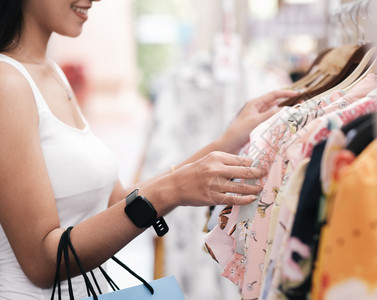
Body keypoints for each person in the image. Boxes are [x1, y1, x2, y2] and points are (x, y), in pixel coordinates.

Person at [0, 0, 299, 298]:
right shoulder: (7, 83)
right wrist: (171, 190)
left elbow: (115, 202)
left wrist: (225, 142)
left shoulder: (51, 73)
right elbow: (41, 264)